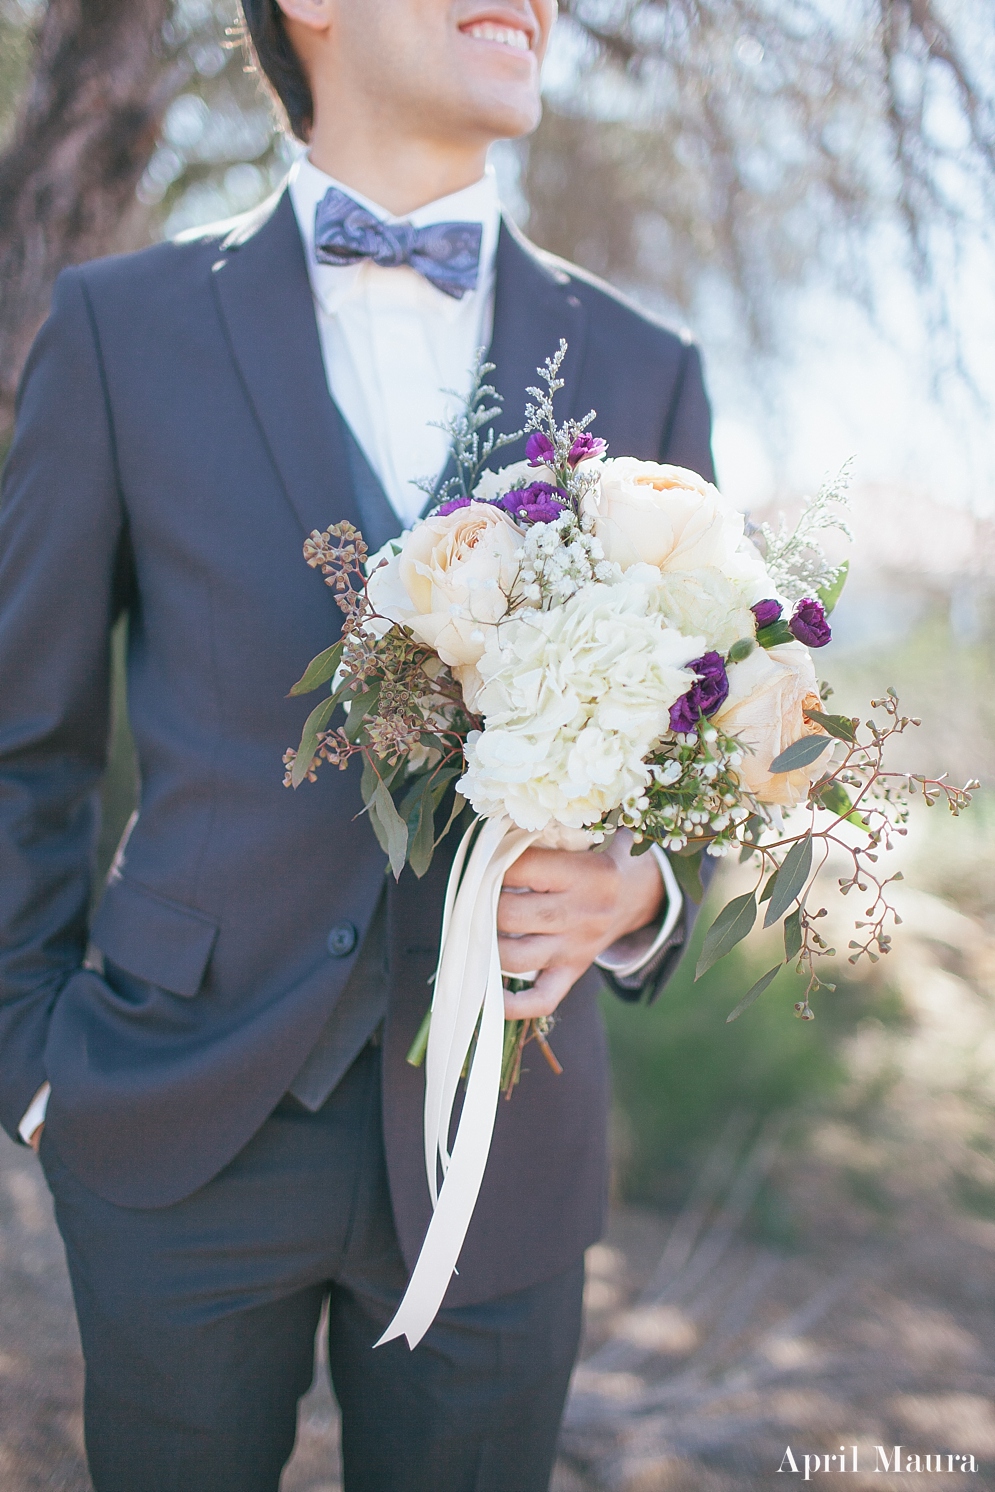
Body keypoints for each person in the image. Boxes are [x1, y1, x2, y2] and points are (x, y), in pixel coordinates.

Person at [0, 2, 715, 1488]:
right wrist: (33, 1069)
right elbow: (26, 743)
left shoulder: (645, 367)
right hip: (174, 1119)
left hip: (505, 1146)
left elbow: (701, 734)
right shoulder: (120, 330)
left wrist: (642, 893)